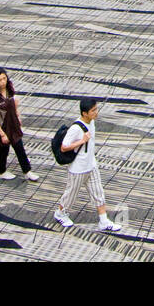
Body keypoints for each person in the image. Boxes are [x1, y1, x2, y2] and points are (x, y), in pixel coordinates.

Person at [53, 98, 122, 231]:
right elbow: (64, 147)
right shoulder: (75, 128)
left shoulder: (92, 122)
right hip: (78, 169)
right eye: (93, 110)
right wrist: (81, 141)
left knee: (98, 193)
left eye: (96, 109)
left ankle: (103, 220)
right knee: (71, 194)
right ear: (84, 113)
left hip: (91, 165)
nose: (96, 112)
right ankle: (60, 213)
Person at [0, 68, 39, 182]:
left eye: (4, 78)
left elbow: (13, 105)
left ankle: (27, 171)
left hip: (13, 125)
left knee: (20, 148)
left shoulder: (9, 89)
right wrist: (2, 134)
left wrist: (18, 117)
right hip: (2, 127)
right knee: (3, 150)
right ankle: (1, 171)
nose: (3, 82)